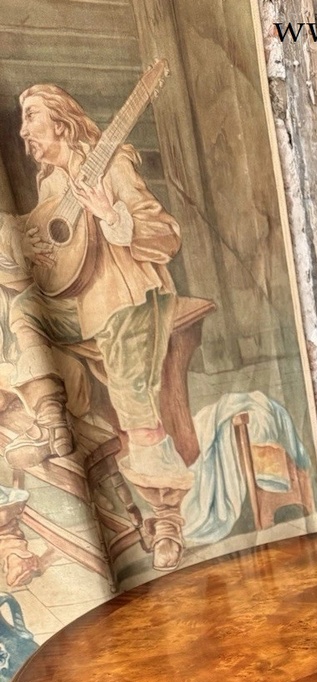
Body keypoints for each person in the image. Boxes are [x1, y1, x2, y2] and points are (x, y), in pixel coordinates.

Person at [5, 82, 193, 570]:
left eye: (31, 117)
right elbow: (62, 260)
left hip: (125, 299)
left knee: (135, 403)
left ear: (61, 122)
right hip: (80, 303)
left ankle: (167, 518)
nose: (23, 130)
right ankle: (52, 422)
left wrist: (112, 214)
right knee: (24, 308)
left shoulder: (111, 162)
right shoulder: (50, 185)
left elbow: (166, 235)